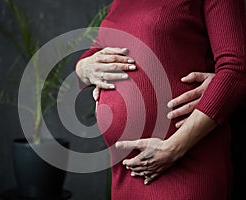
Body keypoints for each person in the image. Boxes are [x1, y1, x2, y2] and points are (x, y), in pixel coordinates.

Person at [75, 0, 246, 199]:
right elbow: (98, 49)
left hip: (186, 161)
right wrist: (84, 69)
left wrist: (173, 148)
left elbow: (236, 70)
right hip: (127, 172)